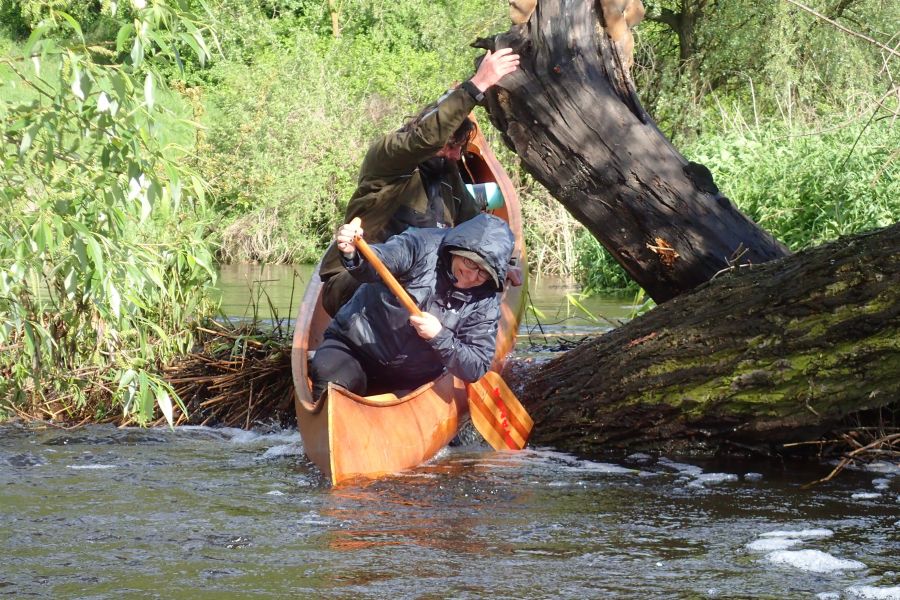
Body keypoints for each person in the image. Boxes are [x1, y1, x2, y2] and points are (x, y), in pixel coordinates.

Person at [319, 48, 521, 316]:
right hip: (355, 282)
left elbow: (477, 227)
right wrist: (477, 85)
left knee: (474, 284)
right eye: (450, 146)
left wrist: (503, 262)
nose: (455, 156)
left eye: (460, 149)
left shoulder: (448, 176)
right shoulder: (389, 154)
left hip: (416, 289)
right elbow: (427, 139)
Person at [310, 212, 515, 401]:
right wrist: (353, 253)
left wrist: (440, 336)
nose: (471, 276)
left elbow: (476, 366)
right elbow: (380, 260)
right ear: (457, 250)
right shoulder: (420, 244)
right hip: (354, 348)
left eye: (483, 272)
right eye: (470, 263)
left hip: (414, 378)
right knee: (328, 377)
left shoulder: (486, 300)